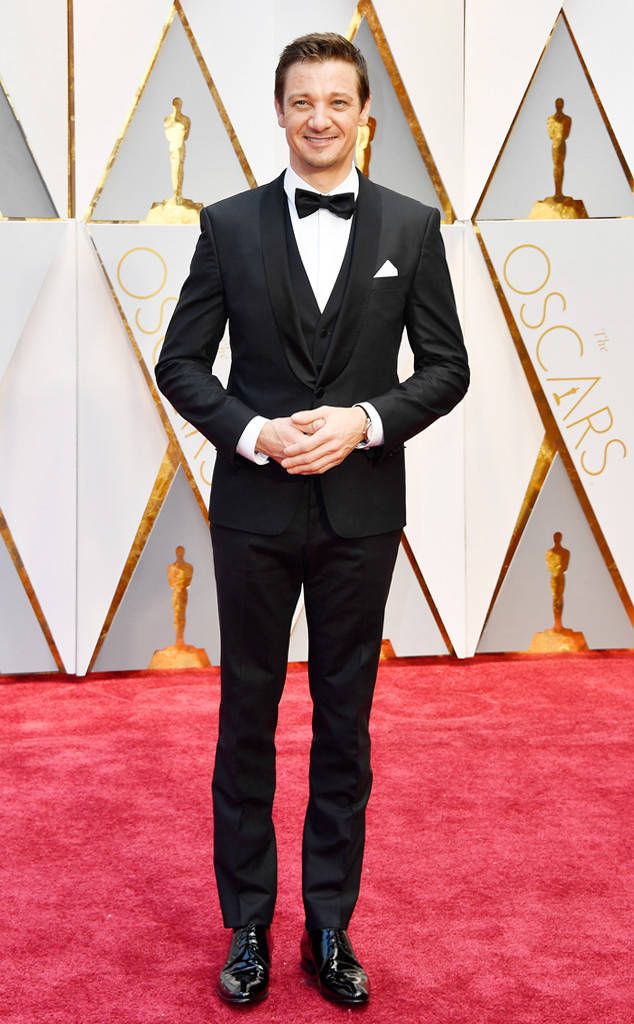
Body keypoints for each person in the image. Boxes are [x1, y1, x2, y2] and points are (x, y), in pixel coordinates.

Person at [155, 32, 469, 1007]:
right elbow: (182, 364)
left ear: (365, 118)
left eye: (338, 101)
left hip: (362, 515)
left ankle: (329, 921)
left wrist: (366, 420)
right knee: (245, 715)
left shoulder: (413, 229)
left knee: (346, 722)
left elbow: (447, 369)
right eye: (302, 101)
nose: (320, 117)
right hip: (251, 510)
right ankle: (248, 920)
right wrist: (251, 433)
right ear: (280, 112)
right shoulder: (227, 226)